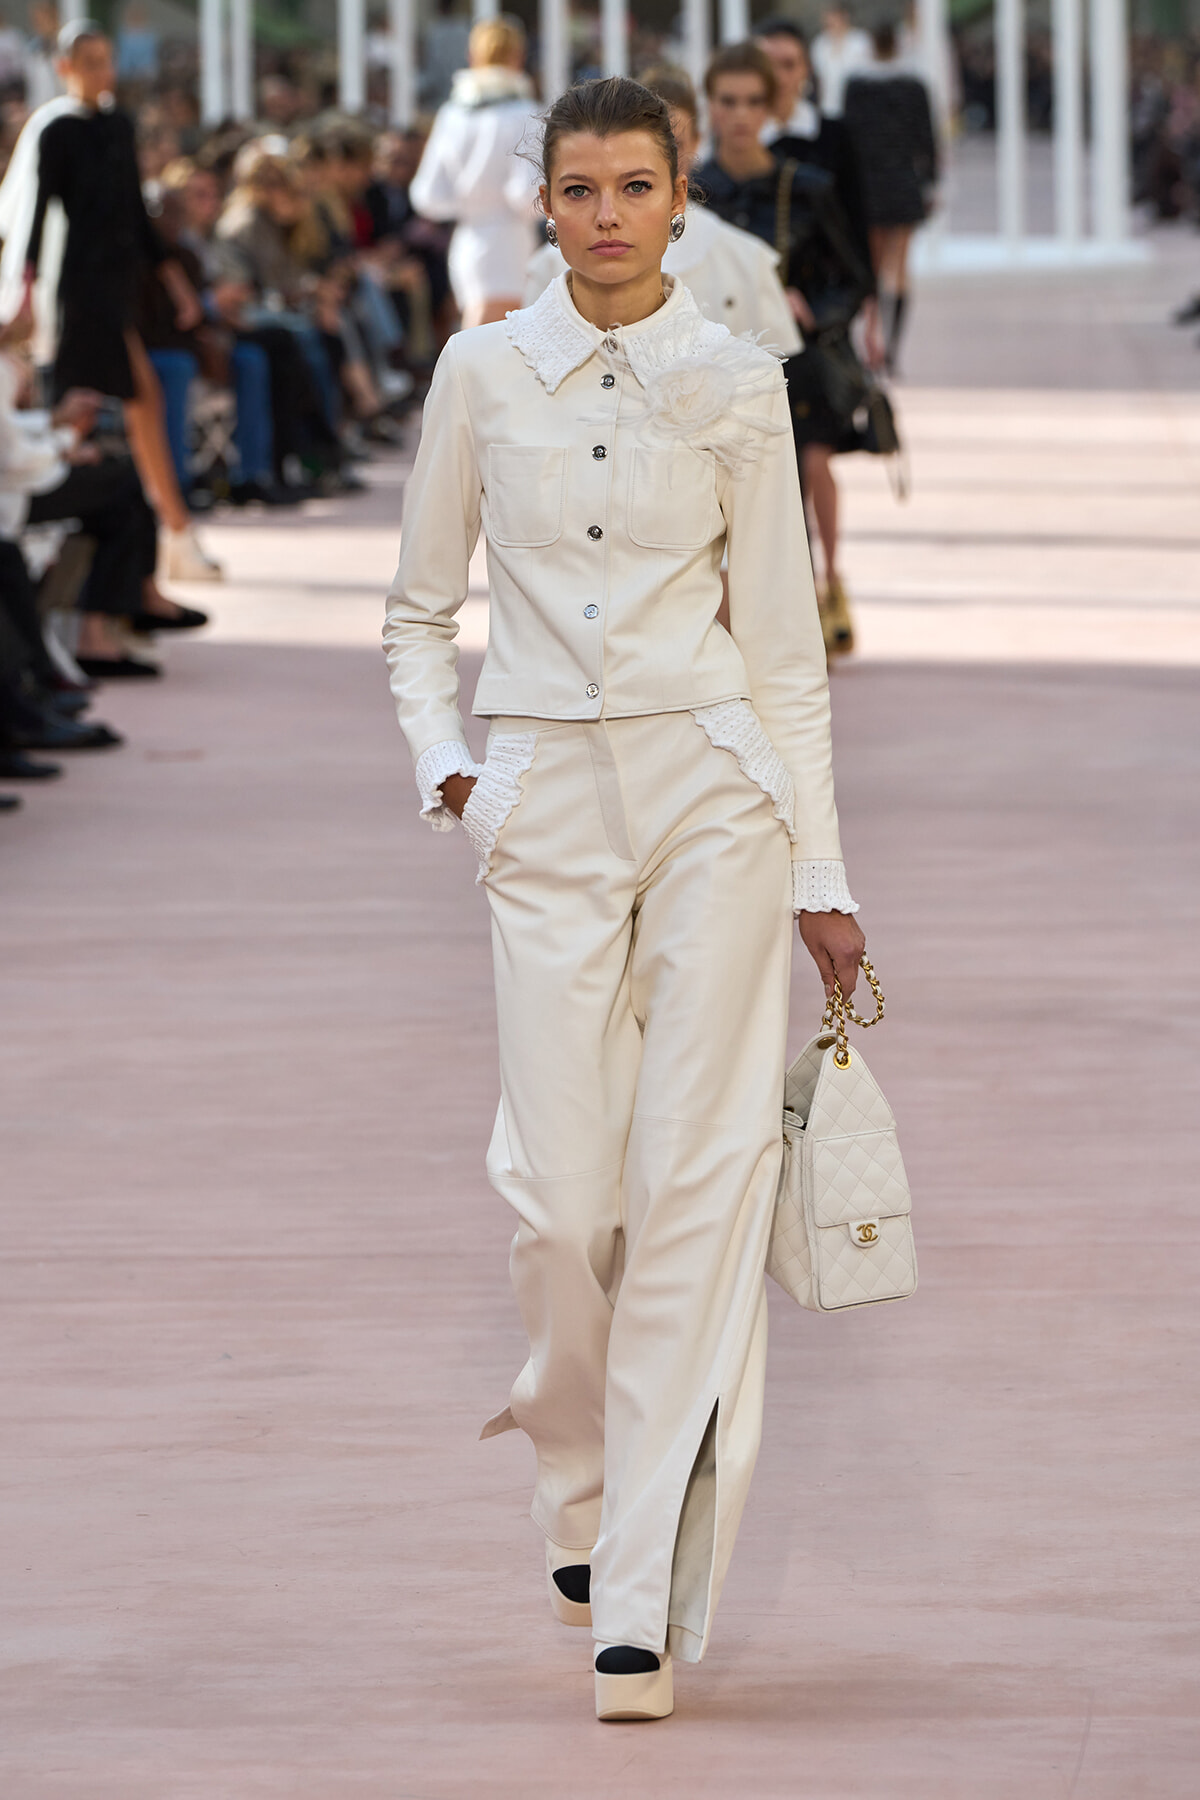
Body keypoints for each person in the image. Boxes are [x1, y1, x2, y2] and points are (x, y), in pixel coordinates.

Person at [383, 74, 864, 1724]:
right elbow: (411, 610)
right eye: (574, 188)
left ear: (678, 200)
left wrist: (823, 877)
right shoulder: (480, 372)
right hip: (541, 804)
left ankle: (639, 1597)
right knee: (561, 1198)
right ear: (544, 206)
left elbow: (787, 660)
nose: (601, 212)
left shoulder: (736, 383)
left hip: (714, 797)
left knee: (697, 1182)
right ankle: (575, 1477)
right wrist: (452, 769)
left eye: (631, 185)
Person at [0, 21, 221, 581]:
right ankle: (145, 532)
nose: (102, 72)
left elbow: (135, 218)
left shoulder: (120, 126)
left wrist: (176, 284)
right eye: (90, 61)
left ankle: (169, 532)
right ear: (65, 67)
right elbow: (33, 218)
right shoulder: (56, 132)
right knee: (93, 403)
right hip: (75, 291)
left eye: (107, 60)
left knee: (130, 399)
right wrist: (23, 291)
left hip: (116, 288)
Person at [694, 43, 875, 657]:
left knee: (785, 496)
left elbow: (853, 277)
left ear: (771, 106)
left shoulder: (808, 187)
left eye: (752, 102)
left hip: (792, 366)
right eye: (727, 101)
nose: (740, 115)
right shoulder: (686, 191)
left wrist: (813, 309)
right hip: (705, 368)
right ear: (709, 106)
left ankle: (794, 625)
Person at [524, 65, 801, 358]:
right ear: (548, 202)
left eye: (675, 144)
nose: (607, 216)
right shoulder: (549, 269)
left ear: (697, 142)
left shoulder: (746, 259)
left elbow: (776, 375)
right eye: (578, 190)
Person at [408, 13, 539, 328]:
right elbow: (526, 195)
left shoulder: (452, 114)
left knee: (483, 332)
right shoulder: (525, 113)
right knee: (493, 334)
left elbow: (427, 195)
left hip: (466, 239)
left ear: (472, 56)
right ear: (518, 57)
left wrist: (469, 202)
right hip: (508, 239)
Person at [843, 20, 939, 374]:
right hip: (902, 184)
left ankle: (872, 339)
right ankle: (892, 346)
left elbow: (848, 139)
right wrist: (931, 184)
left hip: (868, 187)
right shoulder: (914, 86)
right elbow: (927, 141)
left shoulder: (856, 86)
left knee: (871, 266)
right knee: (898, 268)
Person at [809, 1, 873, 118]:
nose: (830, 21)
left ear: (844, 17)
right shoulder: (820, 43)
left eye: (834, 17)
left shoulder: (860, 41)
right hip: (828, 109)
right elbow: (818, 78)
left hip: (857, 107)